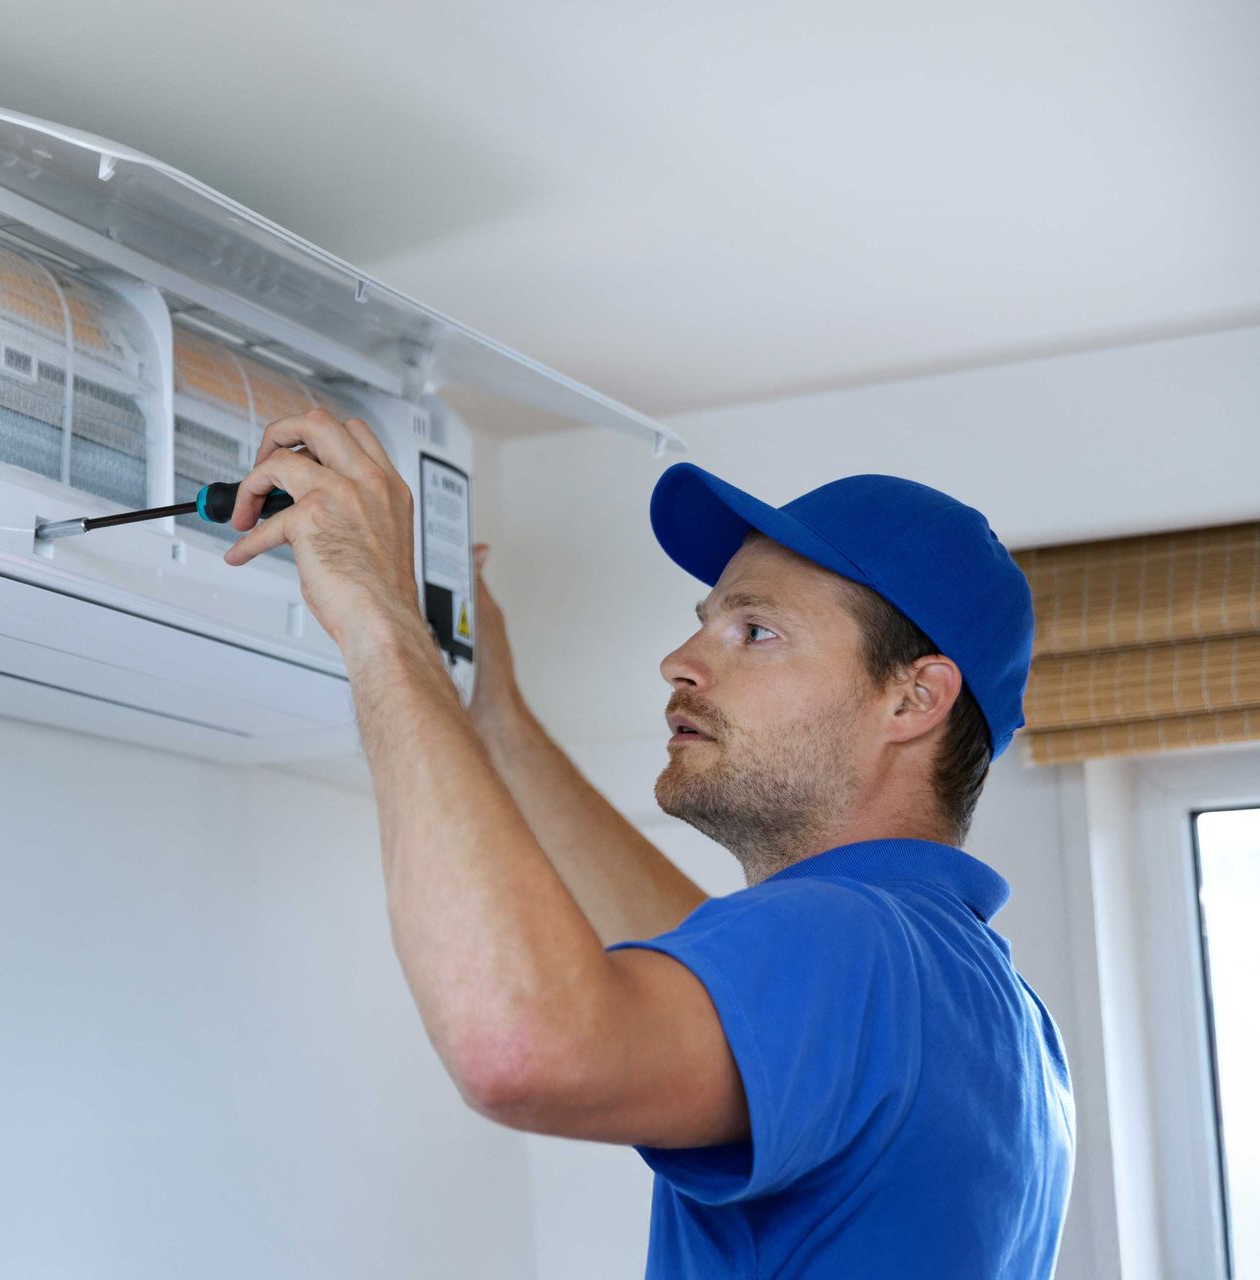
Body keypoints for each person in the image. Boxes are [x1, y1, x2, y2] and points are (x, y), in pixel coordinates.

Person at [222, 411, 1074, 1278]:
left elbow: (520, 1048)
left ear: (914, 699)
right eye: (705, 623)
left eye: (756, 632)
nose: (680, 659)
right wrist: (497, 722)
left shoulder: (848, 946)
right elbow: (709, 958)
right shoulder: (977, 997)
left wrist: (380, 621)